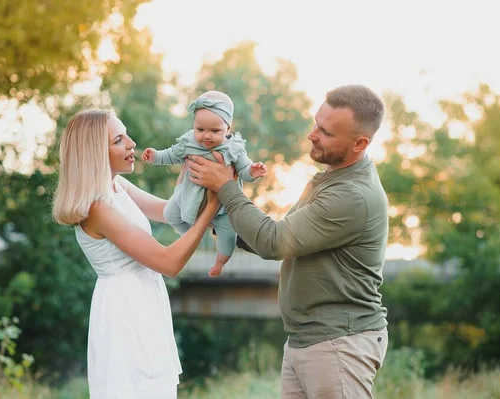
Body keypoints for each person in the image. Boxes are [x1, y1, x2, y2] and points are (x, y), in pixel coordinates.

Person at [186, 84, 389, 398]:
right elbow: (281, 240)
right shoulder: (330, 179)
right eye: (315, 123)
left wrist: (227, 187)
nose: (311, 134)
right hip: (306, 341)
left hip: (338, 345)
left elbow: (274, 242)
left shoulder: (352, 195)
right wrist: (219, 222)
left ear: (360, 142)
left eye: (325, 131)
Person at [51, 109, 220, 399]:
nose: (131, 143)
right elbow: (168, 262)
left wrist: (192, 164)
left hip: (144, 301)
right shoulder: (97, 208)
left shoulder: (117, 186)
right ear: (95, 152)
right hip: (124, 312)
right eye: (119, 140)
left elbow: (173, 213)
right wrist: (213, 206)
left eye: (126, 134)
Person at [141, 90, 267, 277]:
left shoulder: (233, 149)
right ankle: (191, 237)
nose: (206, 136)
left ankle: (220, 262)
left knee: (228, 237)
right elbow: (171, 154)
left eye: (215, 131)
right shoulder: (189, 142)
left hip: (221, 206)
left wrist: (252, 172)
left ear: (228, 129)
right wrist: (155, 156)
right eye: (200, 129)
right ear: (194, 126)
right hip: (188, 196)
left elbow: (242, 169)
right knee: (170, 213)